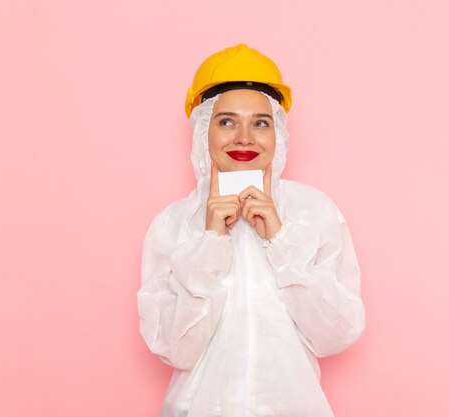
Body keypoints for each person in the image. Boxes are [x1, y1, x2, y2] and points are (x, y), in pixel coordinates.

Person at [137, 43, 365, 417]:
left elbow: (335, 336)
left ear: (278, 133)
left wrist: (280, 239)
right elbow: (175, 350)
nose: (244, 136)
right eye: (226, 121)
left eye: (260, 122)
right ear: (202, 131)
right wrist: (209, 242)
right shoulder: (174, 223)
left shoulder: (313, 212)